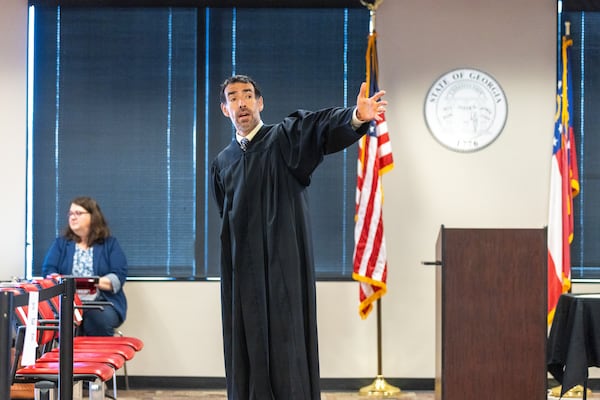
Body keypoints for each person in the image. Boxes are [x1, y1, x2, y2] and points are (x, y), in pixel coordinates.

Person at [211, 74, 387, 399]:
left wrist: (356, 117)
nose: (241, 102)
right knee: (246, 345)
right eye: (233, 98)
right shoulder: (223, 164)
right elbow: (226, 216)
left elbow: (319, 128)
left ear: (260, 102)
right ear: (225, 109)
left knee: (286, 341)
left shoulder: (284, 139)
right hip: (244, 275)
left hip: (283, 266)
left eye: (248, 95)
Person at [42, 196, 128, 337]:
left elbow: (119, 275)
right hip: (67, 303)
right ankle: (68, 359)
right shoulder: (61, 244)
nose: (73, 217)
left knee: (96, 318)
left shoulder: (109, 244)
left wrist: (92, 283)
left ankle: (99, 359)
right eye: (70, 214)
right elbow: (48, 272)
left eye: (78, 213)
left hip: (102, 303)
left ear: (93, 217)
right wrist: (62, 282)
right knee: (66, 320)